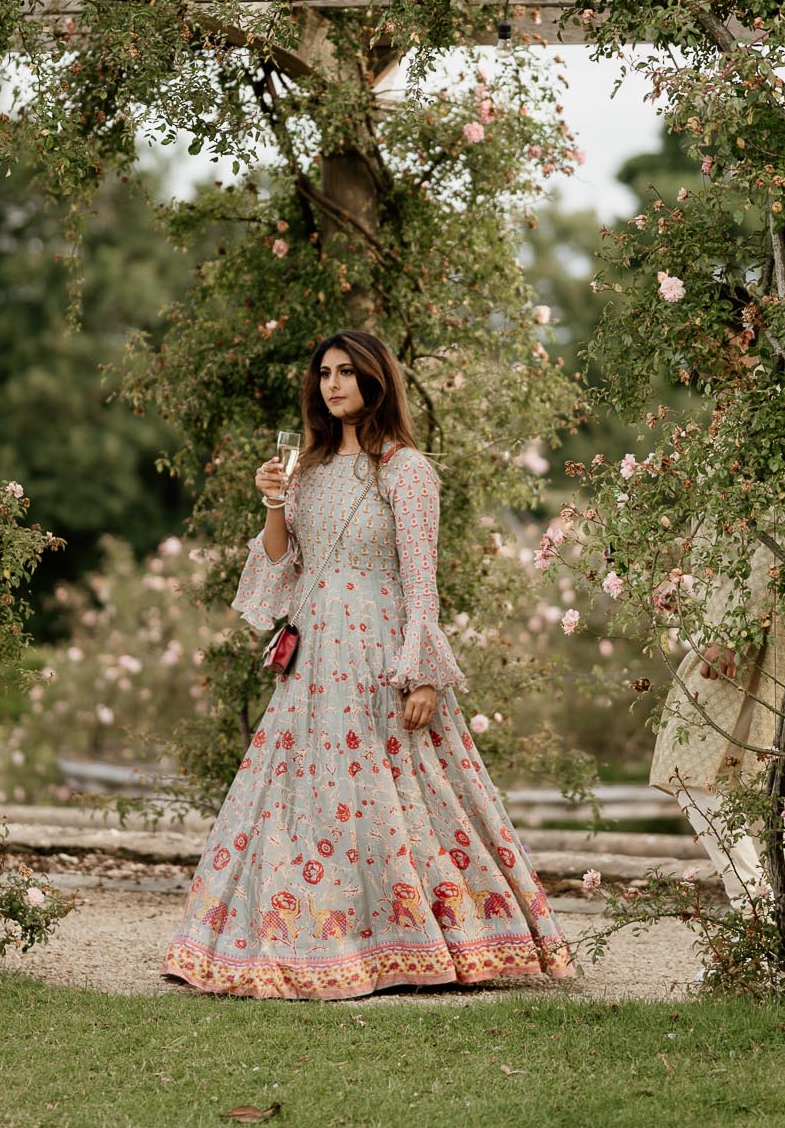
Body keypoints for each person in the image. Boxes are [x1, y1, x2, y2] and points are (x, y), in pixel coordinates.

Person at [163, 331, 576, 1000]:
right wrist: (272, 503)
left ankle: (420, 942)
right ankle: (305, 940)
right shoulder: (307, 472)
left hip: (380, 656)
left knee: (404, 797)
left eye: (347, 372)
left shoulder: (405, 470)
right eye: (323, 373)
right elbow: (278, 569)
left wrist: (424, 675)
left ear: (375, 380)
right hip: (312, 656)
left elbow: (422, 583)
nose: (332, 384)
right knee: (298, 796)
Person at [648, 543, 785, 908]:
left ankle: (759, 916)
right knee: (758, 781)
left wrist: (729, 633)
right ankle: (778, 926)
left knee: (689, 767)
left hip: (755, 638)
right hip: (749, 628)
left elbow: (772, 542)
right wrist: (692, 590)